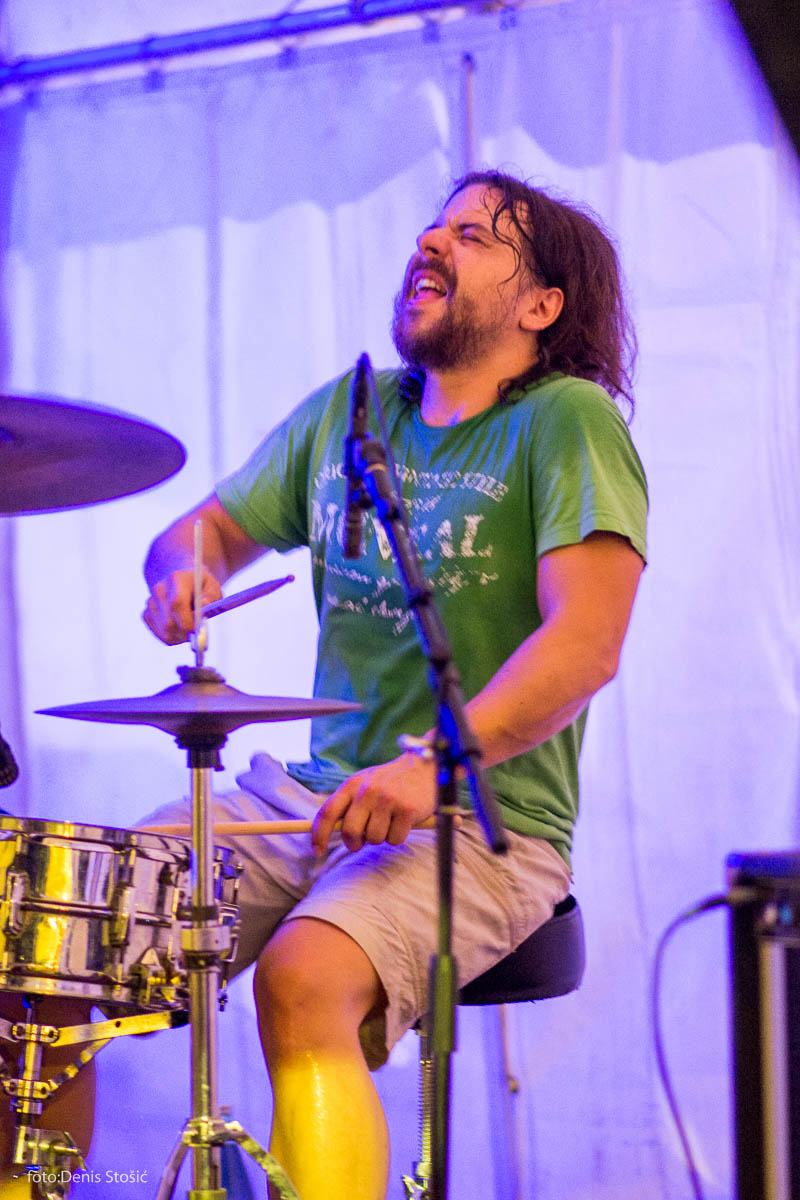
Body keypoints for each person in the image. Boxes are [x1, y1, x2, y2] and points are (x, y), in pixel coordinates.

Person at [3, 169, 648, 1198]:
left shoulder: (567, 421)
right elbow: (201, 533)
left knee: (304, 978)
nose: (430, 243)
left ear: (539, 306)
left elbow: (585, 646)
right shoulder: (350, 413)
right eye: (433, 227)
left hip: (483, 821)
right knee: (50, 941)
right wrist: (186, 573)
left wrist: (428, 770)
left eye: (474, 236)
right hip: (306, 800)